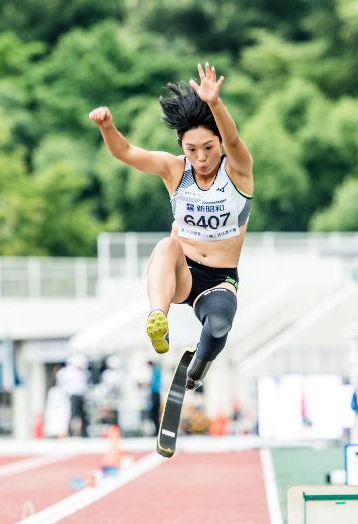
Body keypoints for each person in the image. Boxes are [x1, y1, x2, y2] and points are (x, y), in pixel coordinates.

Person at [89, 62, 253, 390]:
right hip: (181, 271)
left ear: (219, 143)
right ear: (181, 146)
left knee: (218, 327)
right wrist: (107, 127)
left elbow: (234, 140)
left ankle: (196, 371)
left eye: (208, 148)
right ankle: (158, 318)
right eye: (192, 150)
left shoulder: (237, 171)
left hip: (219, 279)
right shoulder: (175, 170)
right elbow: (127, 152)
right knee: (166, 245)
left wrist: (215, 102)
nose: (201, 158)